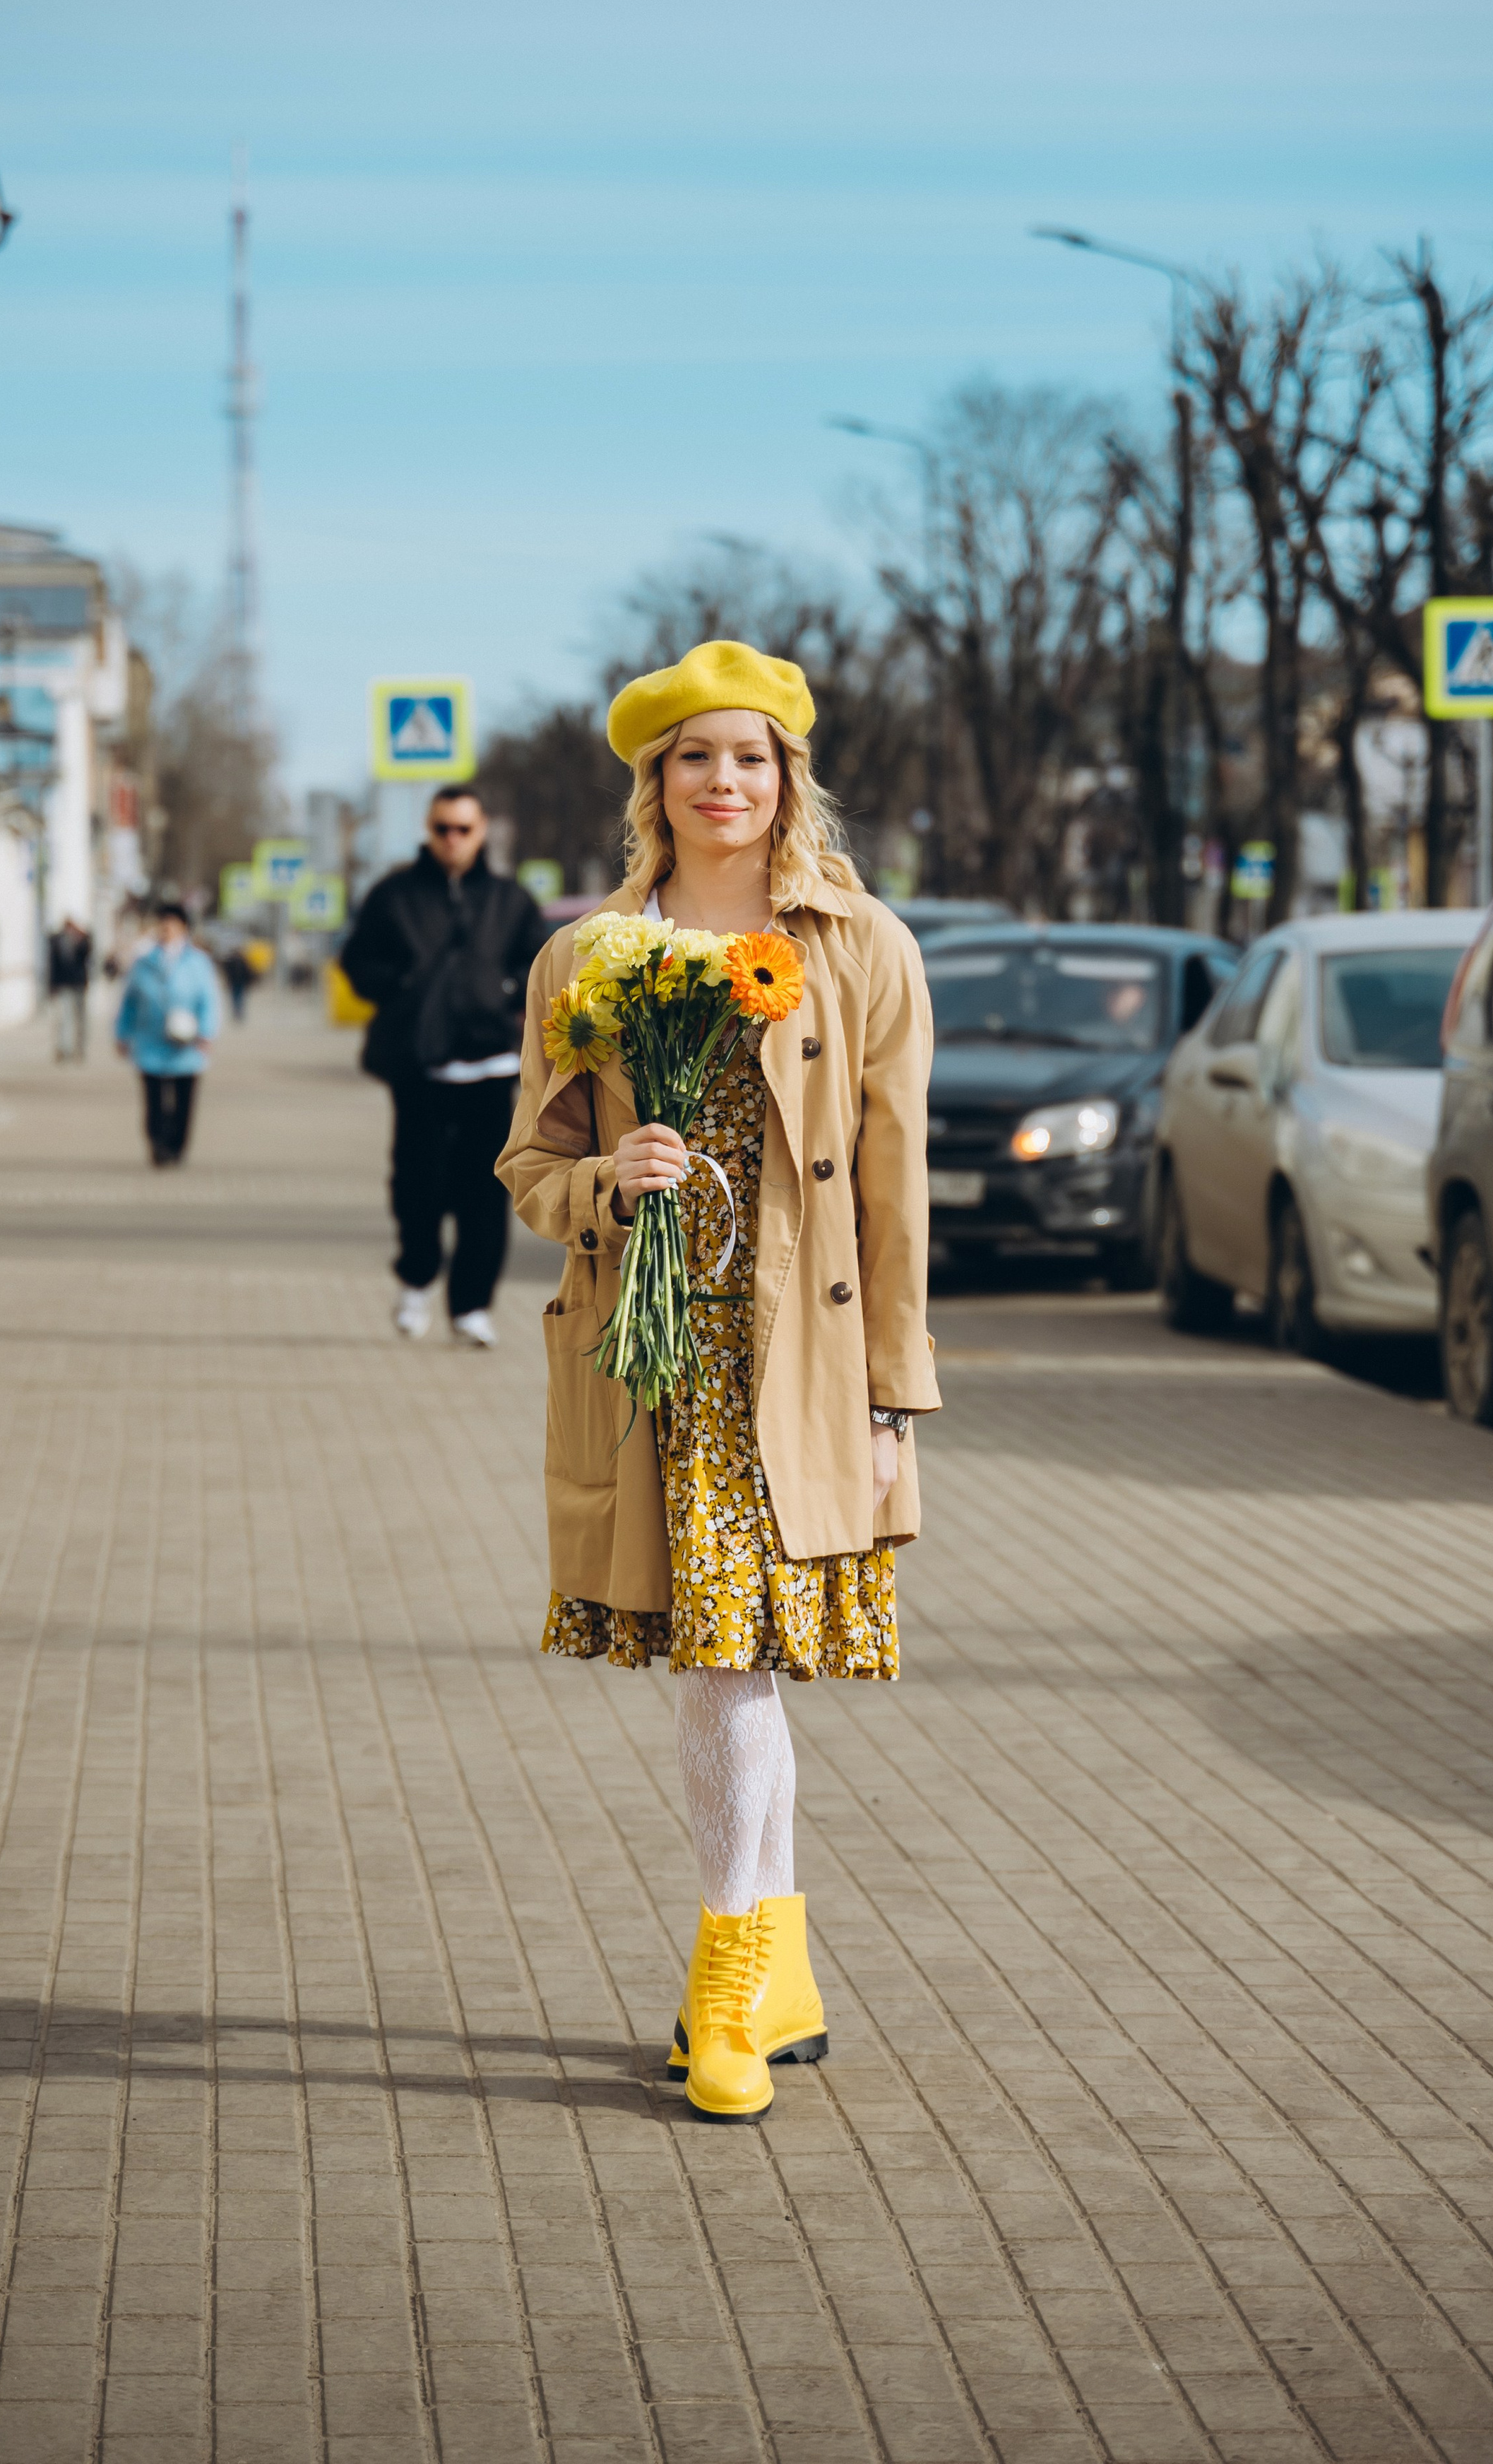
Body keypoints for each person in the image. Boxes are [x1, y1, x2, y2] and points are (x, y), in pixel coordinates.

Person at [499, 641, 938, 2124]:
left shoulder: (858, 943)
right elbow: (528, 1162)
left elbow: (894, 1192)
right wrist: (607, 1183)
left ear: (786, 777)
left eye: (749, 757)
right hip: (658, 1358)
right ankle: (777, 1965)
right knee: (718, 1664)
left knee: (735, 1667)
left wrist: (891, 1403)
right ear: (655, 784)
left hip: (803, 1365)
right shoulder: (587, 955)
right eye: (695, 758)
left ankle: (728, 1984)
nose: (724, 782)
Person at [340, 783, 547, 1348]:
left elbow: (540, 966)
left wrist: (507, 999)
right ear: (428, 832)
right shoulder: (395, 895)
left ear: (481, 833)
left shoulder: (510, 900)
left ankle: (472, 1306)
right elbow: (357, 961)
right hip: (419, 1065)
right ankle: (416, 1278)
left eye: (463, 829)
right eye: (442, 829)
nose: (452, 840)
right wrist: (402, 987)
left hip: (491, 1066)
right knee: (418, 1184)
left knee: (485, 1191)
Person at [114, 894, 221, 1167]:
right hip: (150, 1041)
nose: (167, 930)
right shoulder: (144, 962)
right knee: (154, 1102)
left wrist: (207, 1033)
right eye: (163, 924)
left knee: (183, 1102)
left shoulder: (198, 962)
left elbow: (209, 1000)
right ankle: (158, 1145)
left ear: (183, 928)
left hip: (188, 1044)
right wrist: (122, 1034)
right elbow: (130, 1002)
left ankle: (177, 1146)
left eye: (172, 924)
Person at [47, 916, 92, 1062]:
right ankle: (63, 1048)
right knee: (63, 1018)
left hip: (79, 985)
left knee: (80, 1018)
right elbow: (53, 965)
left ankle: (80, 1048)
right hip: (64, 985)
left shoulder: (82, 940)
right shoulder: (56, 941)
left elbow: (87, 954)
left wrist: (83, 937)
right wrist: (52, 985)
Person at [222, 944, 256, 1024]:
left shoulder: (242, 961)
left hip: (240, 982)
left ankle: (238, 1012)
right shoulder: (235, 962)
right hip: (235, 982)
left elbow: (247, 972)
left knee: (238, 998)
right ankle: (237, 1012)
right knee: (237, 998)